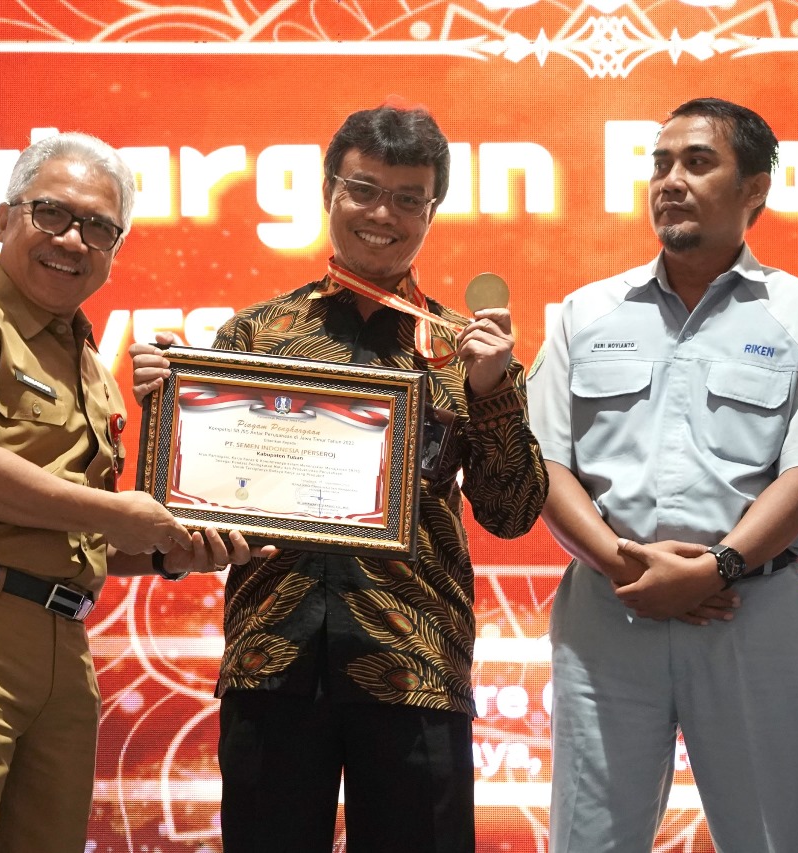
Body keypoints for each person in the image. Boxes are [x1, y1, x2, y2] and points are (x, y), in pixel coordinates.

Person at [131, 104, 549, 852]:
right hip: (272, 654)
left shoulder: (465, 349)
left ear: (432, 210)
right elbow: (183, 511)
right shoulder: (254, 336)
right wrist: (170, 409)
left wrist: (492, 394)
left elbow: (513, 510)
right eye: (363, 189)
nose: (382, 214)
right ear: (328, 191)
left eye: (407, 198)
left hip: (413, 659)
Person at [0, 131, 257, 853]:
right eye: (53, 214)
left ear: (115, 249)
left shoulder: (92, 367)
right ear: (6, 217)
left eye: (98, 227)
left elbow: (84, 535)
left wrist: (171, 551)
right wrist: (120, 511)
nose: (73, 239)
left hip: (63, 640)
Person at [527, 97, 798, 853]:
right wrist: (629, 567)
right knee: (590, 840)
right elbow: (545, 461)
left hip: (752, 613)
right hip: (608, 615)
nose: (671, 181)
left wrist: (716, 566)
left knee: (777, 838)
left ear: (755, 189)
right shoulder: (587, 312)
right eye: (660, 165)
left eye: (697, 161)